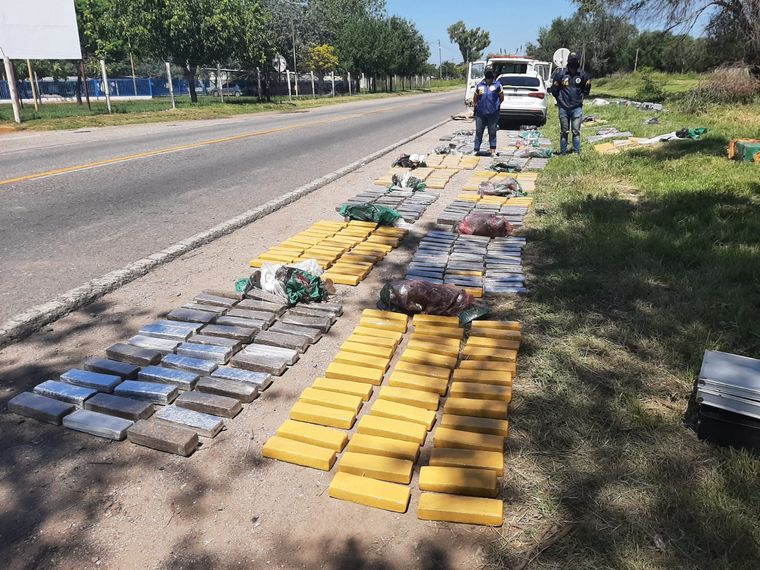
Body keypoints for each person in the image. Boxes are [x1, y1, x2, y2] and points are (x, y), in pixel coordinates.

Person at [549, 52, 591, 154]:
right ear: (568, 61)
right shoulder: (561, 75)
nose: (573, 62)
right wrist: (559, 100)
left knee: (576, 131)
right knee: (564, 131)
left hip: (577, 108)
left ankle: (576, 152)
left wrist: (580, 99)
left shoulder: (583, 75)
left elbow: (587, 89)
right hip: (563, 107)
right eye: (571, 60)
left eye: (575, 60)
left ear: (578, 61)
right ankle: (563, 152)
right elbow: (554, 89)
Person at [473, 70, 504, 156]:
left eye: (490, 79)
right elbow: (475, 97)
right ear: (485, 78)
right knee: (479, 131)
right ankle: (476, 149)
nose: (489, 80)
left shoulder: (498, 85)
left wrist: (496, 106)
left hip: (493, 113)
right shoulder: (480, 86)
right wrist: (476, 106)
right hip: (480, 113)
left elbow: (501, 98)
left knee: (492, 131)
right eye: (487, 79)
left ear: (492, 78)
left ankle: (492, 150)